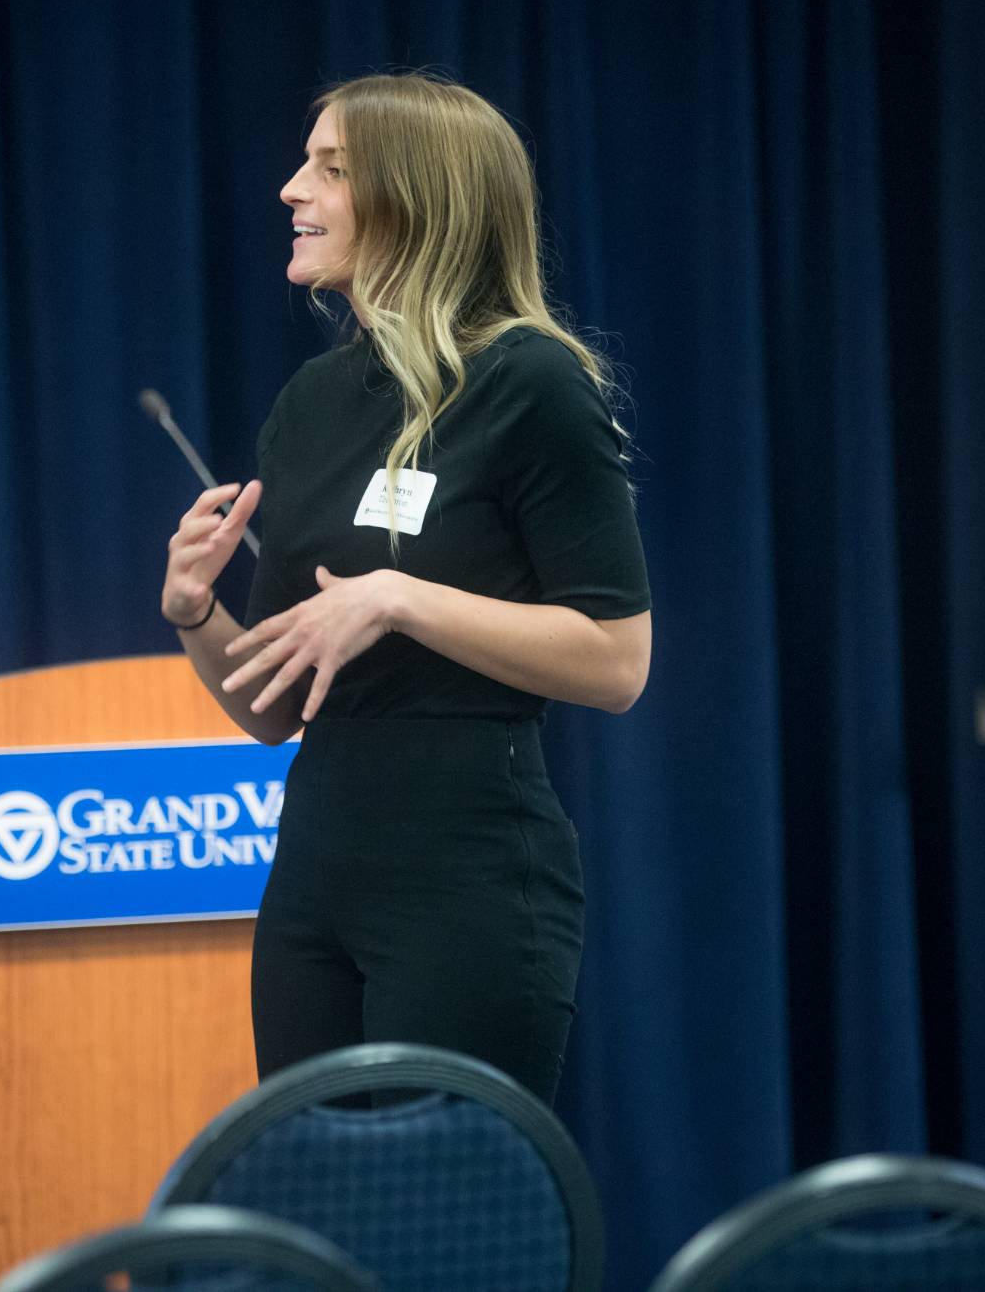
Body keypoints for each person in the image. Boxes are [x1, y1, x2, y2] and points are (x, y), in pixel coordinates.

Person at [160, 74, 651, 1103]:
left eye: (330, 169)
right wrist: (196, 612)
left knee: (448, 1193)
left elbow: (617, 661)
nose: (291, 189)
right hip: (313, 874)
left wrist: (397, 598)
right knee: (315, 1190)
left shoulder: (530, 382)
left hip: (467, 871)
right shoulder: (313, 401)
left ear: (416, 200)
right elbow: (272, 708)